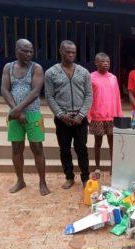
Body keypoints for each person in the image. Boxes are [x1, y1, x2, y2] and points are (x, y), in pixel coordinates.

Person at [0, 39, 50, 196]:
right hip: (14, 115)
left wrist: (19, 110)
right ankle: (20, 180)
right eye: (25, 51)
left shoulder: (37, 68)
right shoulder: (8, 67)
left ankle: (42, 182)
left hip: (33, 113)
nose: (28, 54)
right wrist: (16, 112)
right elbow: (4, 89)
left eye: (31, 51)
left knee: (37, 148)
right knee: (16, 148)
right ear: (16, 51)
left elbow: (36, 91)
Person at [45, 40, 93, 189]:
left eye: (73, 52)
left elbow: (89, 95)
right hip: (62, 119)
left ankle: (85, 177)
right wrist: (60, 114)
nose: (71, 55)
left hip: (80, 118)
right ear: (60, 51)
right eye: (68, 52)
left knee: (81, 148)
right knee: (64, 149)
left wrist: (81, 115)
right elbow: (49, 96)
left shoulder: (83, 72)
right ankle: (69, 177)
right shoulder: (51, 72)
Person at [88, 52, 123, 172]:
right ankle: (97, 167)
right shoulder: (91, 77)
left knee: (112, 144)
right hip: (97, 116)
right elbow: (88, 97)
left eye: (108, 61)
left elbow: (117, 97)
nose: (106, 64)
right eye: (102, 61)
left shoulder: (113, 78)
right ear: (96, 63)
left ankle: (113, 167)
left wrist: (119, 115)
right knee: (98, 143)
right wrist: (88, 116)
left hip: (112, 116)